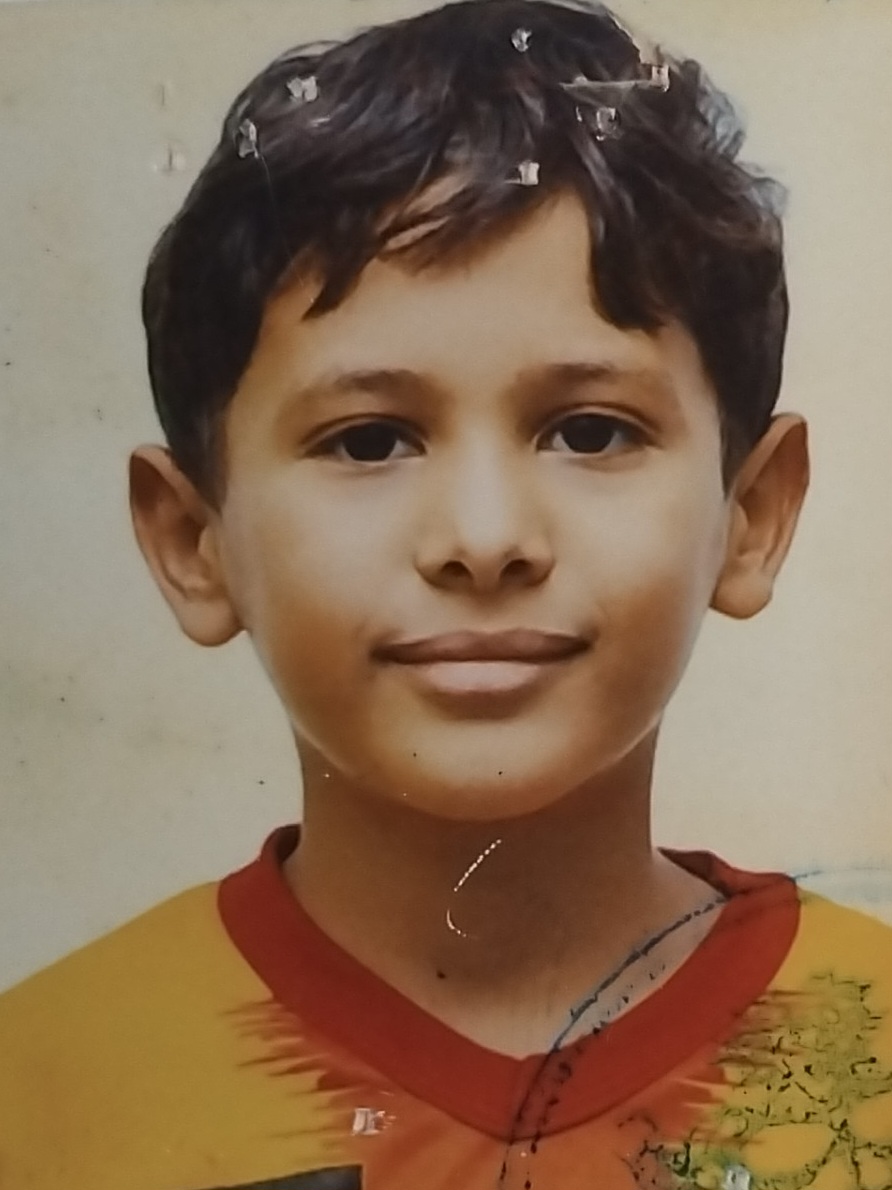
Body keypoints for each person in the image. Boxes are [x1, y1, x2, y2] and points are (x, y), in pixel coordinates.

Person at [2, 1, 890, 1187]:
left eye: (589, 430)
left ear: (753, 514)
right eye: (369, 440)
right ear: (191, 540)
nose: (483, 538)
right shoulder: (43, 1095)